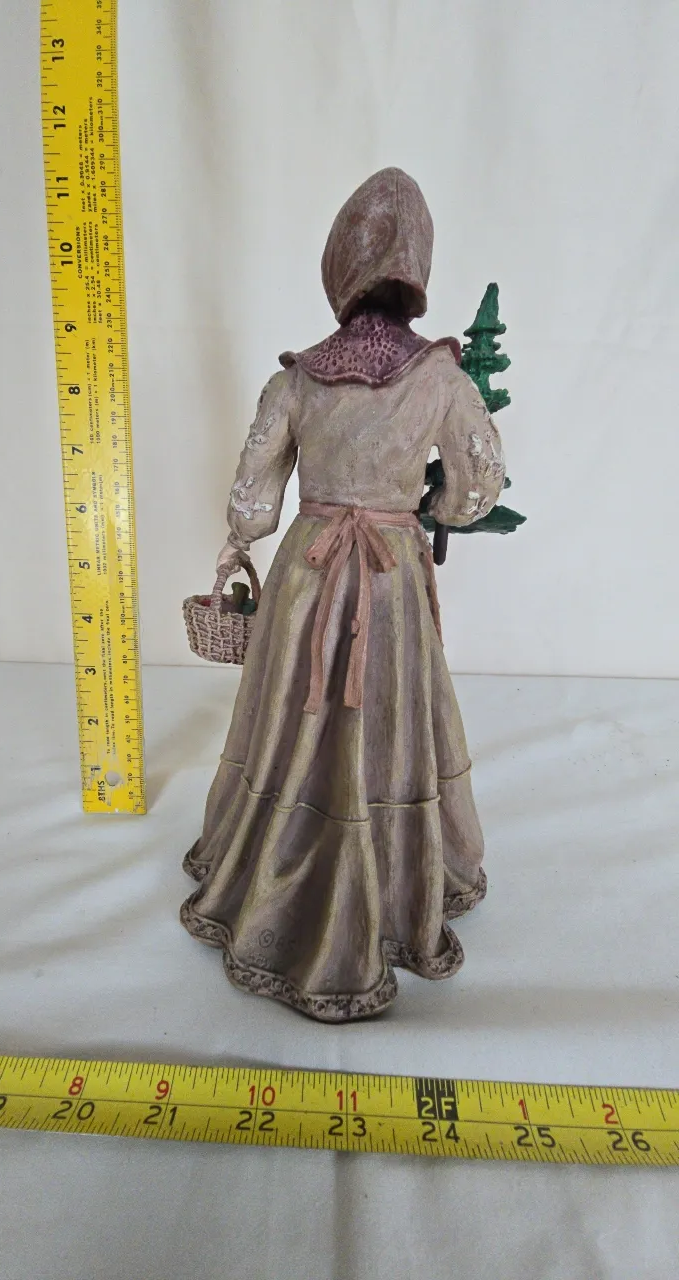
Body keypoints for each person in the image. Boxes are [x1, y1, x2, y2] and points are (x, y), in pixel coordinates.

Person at [180, 167, 506, 1022]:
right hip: (391, 574)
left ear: (340, 267)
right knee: (389, 715)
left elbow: (253, 503)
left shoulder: (297, 380)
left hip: (310, 572)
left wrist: (241, 539)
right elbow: (480, 484)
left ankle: (277, 871)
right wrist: (433, 509)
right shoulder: (442, 378)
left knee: (295, 712)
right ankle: (391, 881)